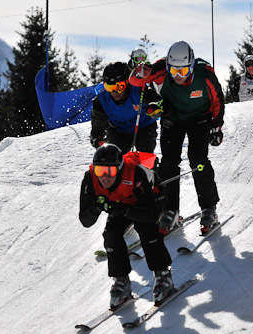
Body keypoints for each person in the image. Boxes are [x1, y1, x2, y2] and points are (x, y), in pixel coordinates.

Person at [130, 40, 225, 234]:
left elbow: (217, 99)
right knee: (168, 163)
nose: (178, 76)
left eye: (182, 71)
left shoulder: (204, 73)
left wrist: (216, 126)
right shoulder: (160, 69)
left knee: (198, 160)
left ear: (191, 66)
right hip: (172, 116)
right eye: (174, 72)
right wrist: (140, 72)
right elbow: (136, 81)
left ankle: (209, 208)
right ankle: (169, 210)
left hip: (199, 117)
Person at [79, 144, 174, 306]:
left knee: (147, 230)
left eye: (110, 171)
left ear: (120, 169)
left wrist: (125, 210)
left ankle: (163, 274)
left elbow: (151, 215)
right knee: (111, 234)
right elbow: (85, 221)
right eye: (99, 171)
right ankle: (121, 279)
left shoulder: (135, 174)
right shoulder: (90, 179)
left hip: (148, 199)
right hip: (120, 203)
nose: (105, 177)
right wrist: (95, 207)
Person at [90, 62, 162, 154]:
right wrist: (97, 139)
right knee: (115, 157)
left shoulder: (140, 91)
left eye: (119, 87)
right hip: (118, 131)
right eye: (109, 87)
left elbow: (160, 103)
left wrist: (155, 108)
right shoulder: (101, 101)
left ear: (128, 83)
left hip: (144, 128)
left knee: (145, 156)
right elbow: (97, 128)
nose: (115, 92)